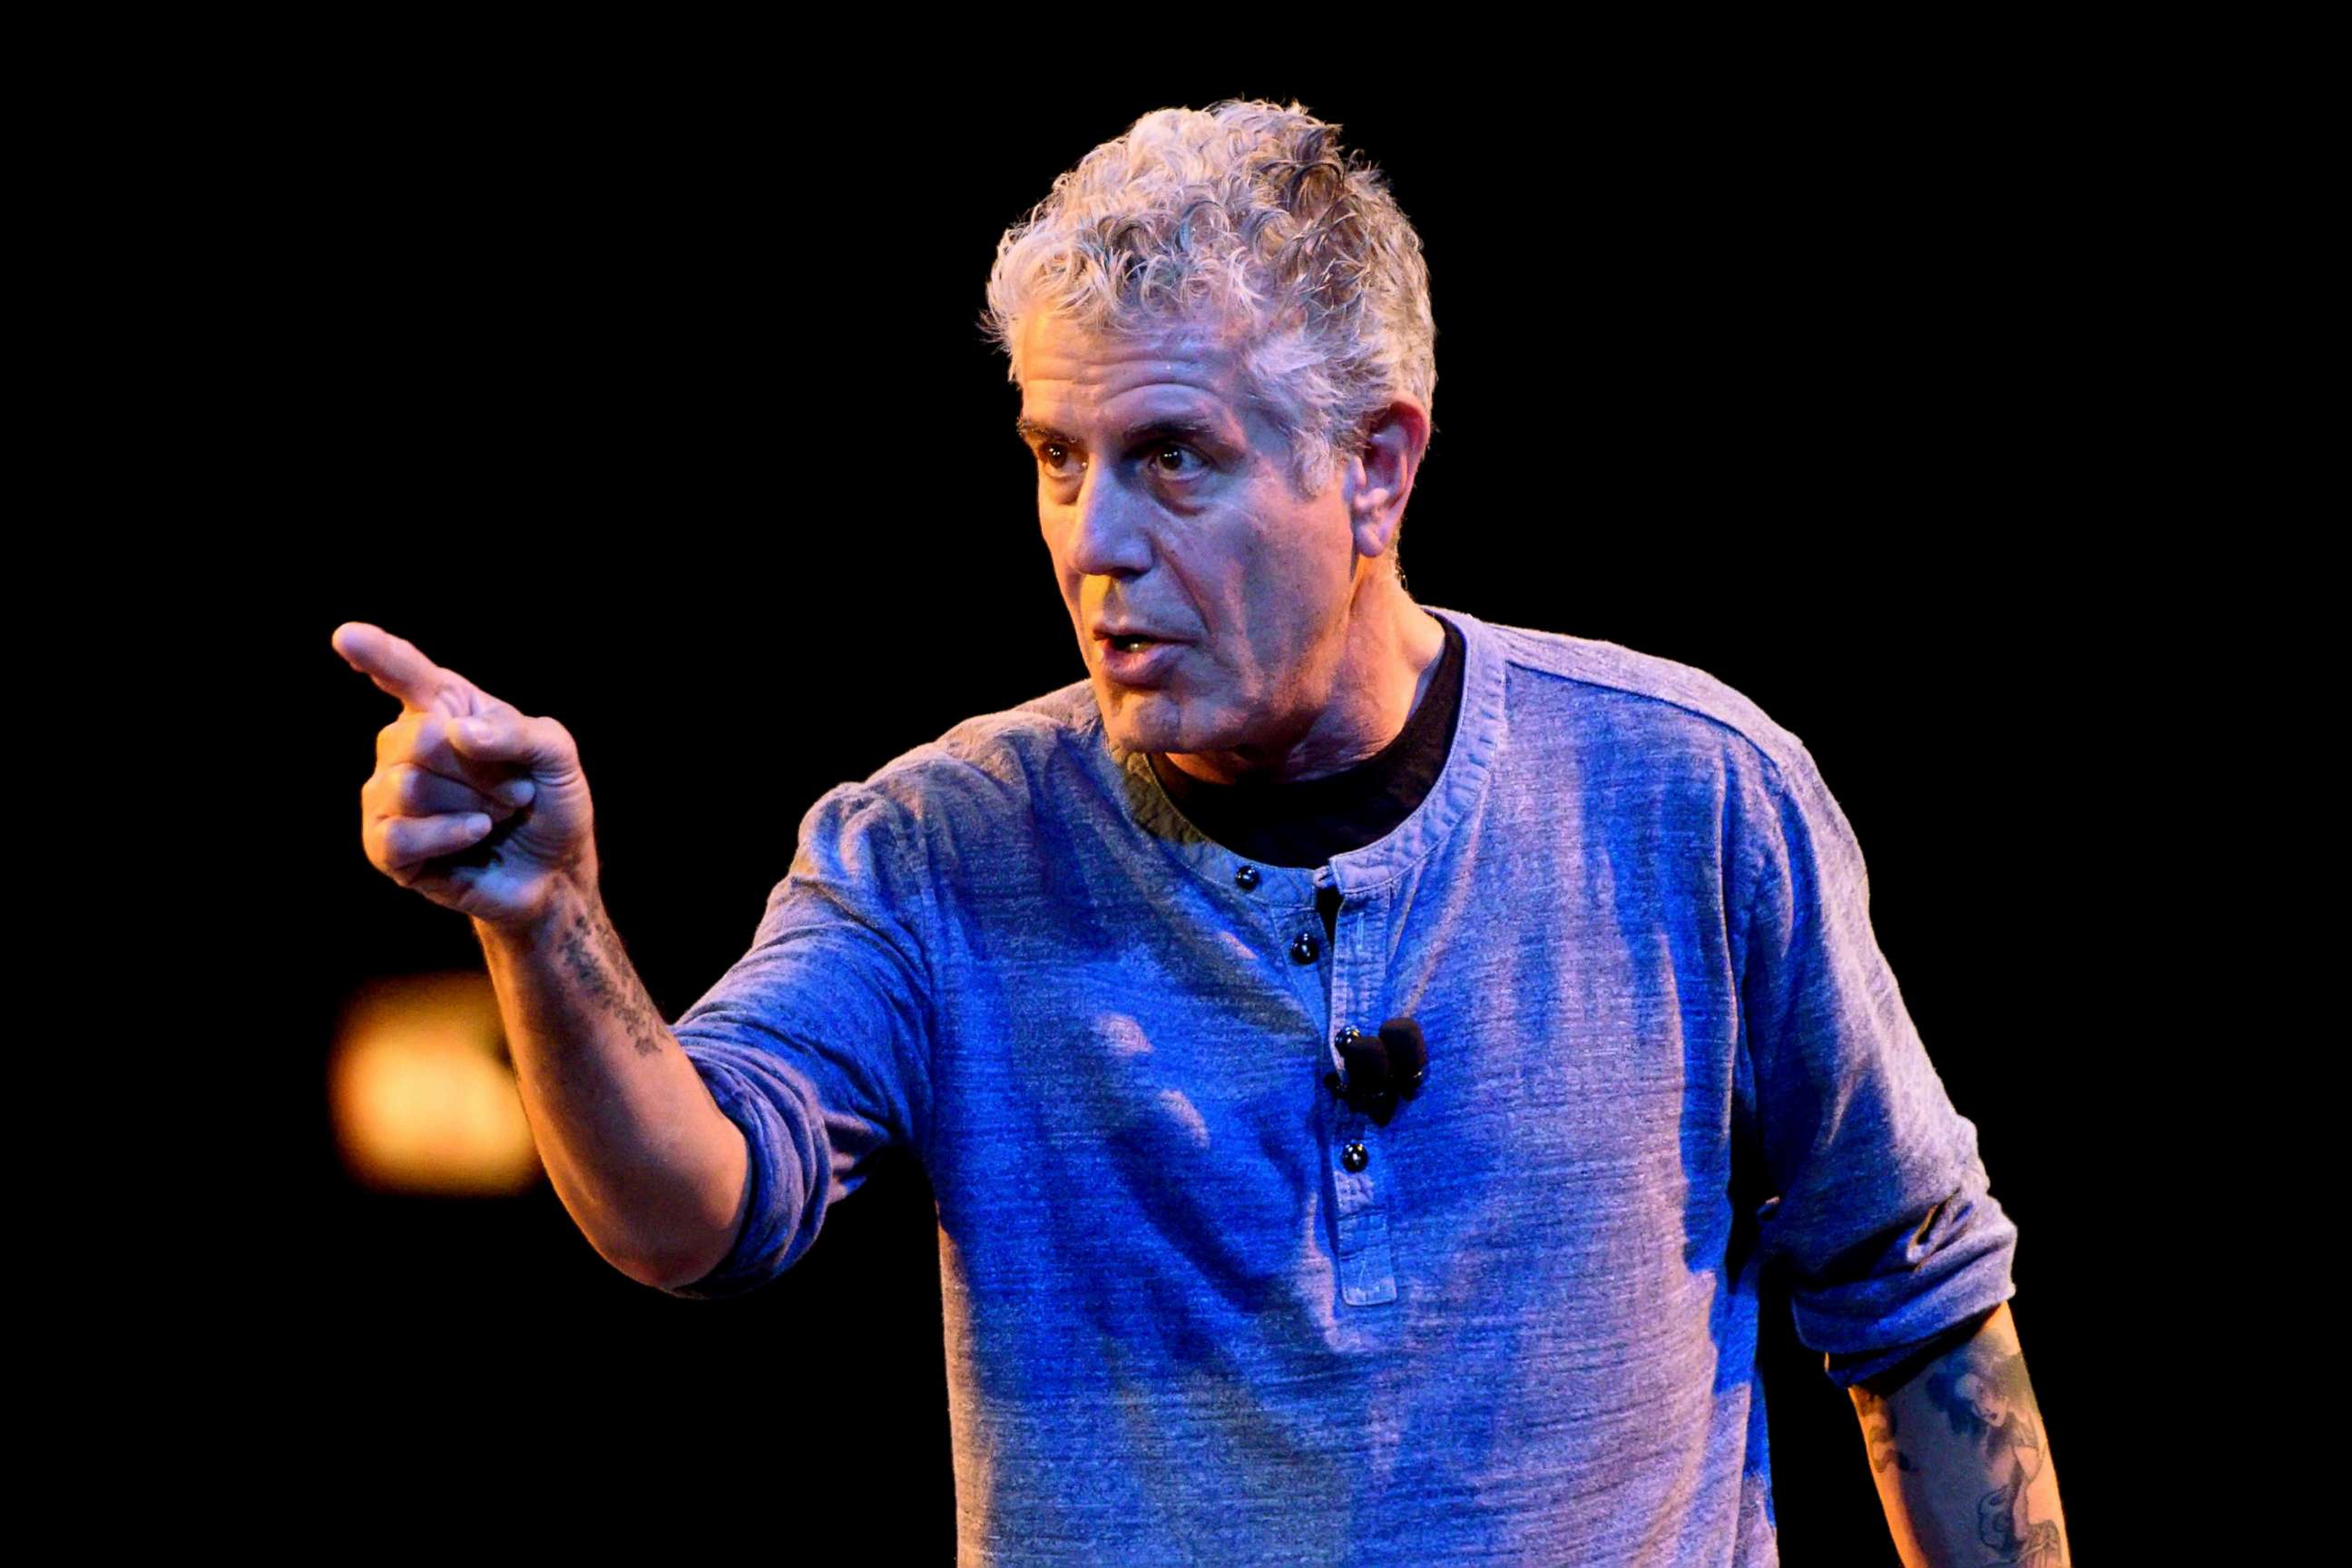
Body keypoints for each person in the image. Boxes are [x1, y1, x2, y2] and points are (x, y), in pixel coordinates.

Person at [335, 100, 2068, 1565]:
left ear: (1377, 466)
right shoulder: (937, 849)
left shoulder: (1688, 795)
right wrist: (545, 921)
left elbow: (1921, 1317)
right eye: (1055, 455)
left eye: (1174, 457)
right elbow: (697, 1212)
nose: (1093, 540)